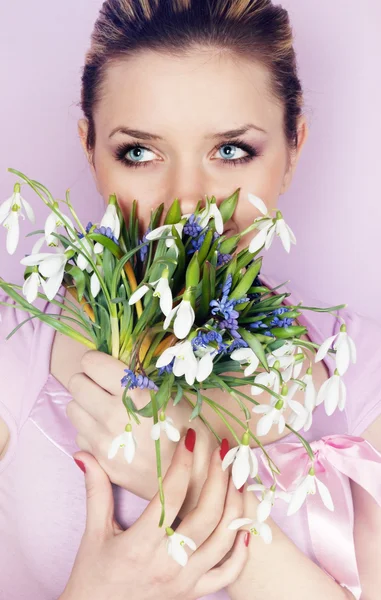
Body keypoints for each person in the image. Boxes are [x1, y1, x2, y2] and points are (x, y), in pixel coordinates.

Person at [1, 0, 381, 598]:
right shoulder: (15, 349)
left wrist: (176, 477)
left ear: (294, 146)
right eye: (140, 152)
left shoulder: (360, 369)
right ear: (90, 148)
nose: (186, 202)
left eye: (231, 150)